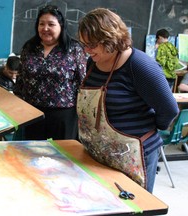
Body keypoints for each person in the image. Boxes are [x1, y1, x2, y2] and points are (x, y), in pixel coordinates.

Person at [77, 8, 179, 193]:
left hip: (133, 154)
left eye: (91, 44)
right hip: (99, 152)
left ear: (111, 38)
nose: (86, 50)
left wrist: (148, 129)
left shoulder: (139, 65)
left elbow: (169, 109)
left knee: (133, 206)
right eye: (83, 44)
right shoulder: (93, 62)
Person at [14, 5, 87, 140]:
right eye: (41, 24)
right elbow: (20, 80)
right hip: (33, 113)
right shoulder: (29, 47)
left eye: (51, 24)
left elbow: (83, 82)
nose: (45, 28)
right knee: (32, 155)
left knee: (62, 157)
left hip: (64, 115)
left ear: (61, 26)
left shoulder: (74, 49)